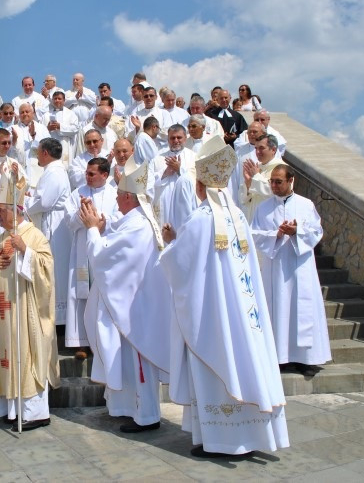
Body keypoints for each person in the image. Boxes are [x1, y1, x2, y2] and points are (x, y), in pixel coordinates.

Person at [159, 135, 289, 457]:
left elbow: (182, 265)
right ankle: (251, 435)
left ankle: (222, 441)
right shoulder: (238, 216)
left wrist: (170, 245)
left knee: (217, 365)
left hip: (213, 315)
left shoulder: (200, 218)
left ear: (200, 184)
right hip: (245, 312)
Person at [81, 161, 169, 433]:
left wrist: (92, 229)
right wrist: (102, 226)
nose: (116, 199)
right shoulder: (137, 220)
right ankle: (127, 408)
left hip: (134, 310)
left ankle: (146, 416)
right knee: (128, 362)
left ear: (129, 197)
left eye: (119, 195)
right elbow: (117, 237)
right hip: (132, 304)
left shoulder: (139, 226)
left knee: (137, 362)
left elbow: (105, 258)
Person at [0, 166, 60, 430]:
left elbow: (47, 270)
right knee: (6, 354)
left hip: (25, 313)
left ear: (15, 210)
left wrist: (26, 251)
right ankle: (11, 411)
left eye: (0, 210)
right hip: (2, 313)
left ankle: (34, 413)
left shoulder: (34, 236)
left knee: (25, 355)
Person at [251, 164, 332, 376]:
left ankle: (306, 359)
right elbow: (255, 234)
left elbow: (316, 232)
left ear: (290, 181)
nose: (274, 186)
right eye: (272, 181)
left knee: (302, 309)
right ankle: (280, 358)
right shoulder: (264, 208)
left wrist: (297, 231)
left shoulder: (306, 205)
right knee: (278, 308)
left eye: (278, 182)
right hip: (276, 267)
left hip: (301, 266)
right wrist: (276, 235)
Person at [65, 157, 118, 358]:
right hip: (82, 251)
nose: (87, 177)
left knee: (103, 293)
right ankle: (81, 342)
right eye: (86, 173)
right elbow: (69, 222)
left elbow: (120, 218)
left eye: (91, 174)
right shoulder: (77, 193)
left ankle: (103, 341)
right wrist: (83, 213)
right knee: (80, 293)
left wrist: (102, 220)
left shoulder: (114, 194)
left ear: (104, 175)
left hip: (105, 250)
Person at [24, 137, 71, 326]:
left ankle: (58, 319)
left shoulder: (54, 172)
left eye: (38, 152)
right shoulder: (54, 170)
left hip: (55, 225)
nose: (37, 156)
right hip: (52, 220)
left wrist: (24, 202)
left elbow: (44, 202)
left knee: (55, 268)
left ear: (45, 153)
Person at [148, 124, 196, 227]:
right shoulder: (158, 159)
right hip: (164, 206)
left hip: (184, 205)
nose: (176, 140)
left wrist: (180, 170)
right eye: (172, 138)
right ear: (168, 139)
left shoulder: (193, 157)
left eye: (179, 137)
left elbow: (197, 181)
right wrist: (165, 174)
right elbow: (148, 182)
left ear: (185, 138)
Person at [239, 134, 285, 222]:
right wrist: (248, 183)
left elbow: (275, 192)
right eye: (256, 148)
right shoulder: (258, 167)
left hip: (270, 219)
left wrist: (256, 176)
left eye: (261, 148)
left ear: (273, 150)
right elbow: (243, 199)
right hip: (253, 218)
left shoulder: (282, 169)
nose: (257, 152)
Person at [41, 90, 79, 168]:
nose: (57, 100)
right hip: (50, 147)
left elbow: (75, 129)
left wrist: (60, 127)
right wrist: (48, 129)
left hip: (65, 145)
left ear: (64, 100)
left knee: (64, 168)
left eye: (59, 98)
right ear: (52, 100)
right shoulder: (46, 115)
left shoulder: (71, 114)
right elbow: (40, 131)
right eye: (55, 99)